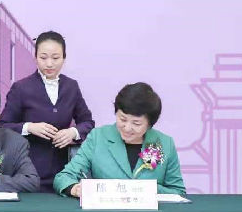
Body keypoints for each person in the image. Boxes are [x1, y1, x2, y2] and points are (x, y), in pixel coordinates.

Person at [0, 31, 95, 191]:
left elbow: (87, 123)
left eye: (55, 58)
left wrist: (73, 132)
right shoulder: (21, 88)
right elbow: (3, 126)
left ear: (64, 58)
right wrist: (29, 127)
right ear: (35, 57)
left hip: (64, 172)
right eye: (43, 58)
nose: (49, 64)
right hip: (28, 172)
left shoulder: (71, 86)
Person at [54, 82, 186, 197]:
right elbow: (63, 177)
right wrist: (75, 189)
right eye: (122, 119)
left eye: (136, 123)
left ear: (150, 124)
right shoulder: (98, 137)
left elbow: (178, 192)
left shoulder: (165, 143)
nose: (127, 128)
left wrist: (145, 189)